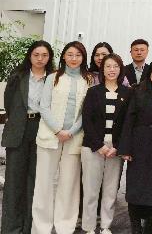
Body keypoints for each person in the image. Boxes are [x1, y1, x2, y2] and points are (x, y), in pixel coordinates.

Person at [31, 41, 92, 234]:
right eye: (70, 54)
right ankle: (41, 227)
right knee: (44, 183)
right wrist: (58, 130)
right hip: (50, 136)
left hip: (74, 137)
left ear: (83, 58)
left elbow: (86, 112)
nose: (74, 58)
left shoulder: (88, 80)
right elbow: (43, 106)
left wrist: (71, 131)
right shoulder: (53, 77)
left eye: (78, 55)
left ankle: (65, 226)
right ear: (64, 56)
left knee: (68, 184)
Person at [2, 40, 54, 234]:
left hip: (42, 129)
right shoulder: (18, 76)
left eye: (44, 55)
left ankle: (28, 227)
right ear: (30, 56)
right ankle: (11, 228)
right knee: (14, 181)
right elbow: (9, 103)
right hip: (19, 129)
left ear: (49, 58)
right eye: (36, 55)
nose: (40, 59)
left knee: (35, 181)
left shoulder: (53, 78)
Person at [80, 53, 131, 234]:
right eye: (108, 66)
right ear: (102, 69)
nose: (112, 70)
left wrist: (117, 146)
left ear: (120, 69)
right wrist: (99, 145)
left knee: (110, 190)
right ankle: (88, 227)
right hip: (93, 147)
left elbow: (128, 124)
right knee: (91, 189)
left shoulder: (128, 93)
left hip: (115, 149)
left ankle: (105, 226)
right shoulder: (93, 92)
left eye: (115, 66)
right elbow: (87, 121)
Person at [119, 58, 152, 234]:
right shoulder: (137, 91)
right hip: (139, 146)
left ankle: (149, 226)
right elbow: (128, 121)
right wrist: (125, 148)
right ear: (149, 73)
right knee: (136, 187)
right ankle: (135, 226)